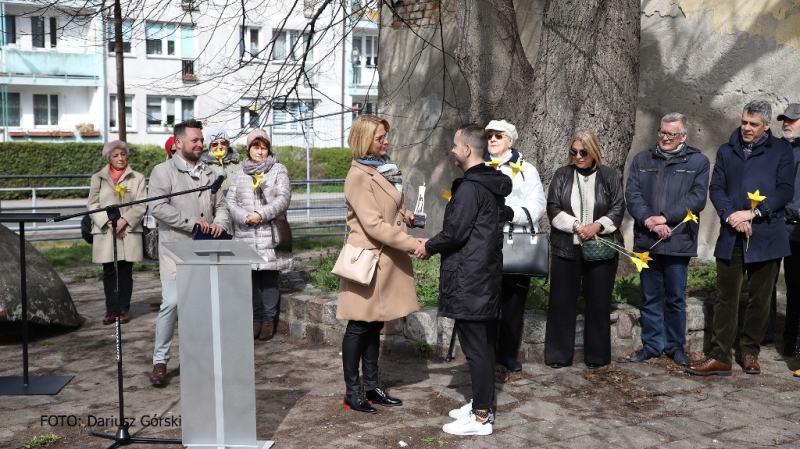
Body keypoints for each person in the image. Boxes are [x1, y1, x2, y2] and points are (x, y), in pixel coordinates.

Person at [415, 123, 512, 436]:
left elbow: (456, 232)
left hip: (472, 278)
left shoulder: (472, 187)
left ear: (468, 149)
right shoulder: (486, 183)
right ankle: (479, 404)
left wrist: (427, 246)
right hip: (481, 275)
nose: (453, 150)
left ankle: (482, 417)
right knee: (480, 344)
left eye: (456, 145)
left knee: (477, 349)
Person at [687, 100, 794, 377]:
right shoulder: (727, 150)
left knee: (760, 299)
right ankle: (720, 355)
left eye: (753, 124)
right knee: (726, 296)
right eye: (744, 122)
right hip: (731, 233)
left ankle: (749, 351)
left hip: (767, 234)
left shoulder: (781, 150)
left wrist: (754, 214)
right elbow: (717, 187)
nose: (746, 128)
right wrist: (730, 215)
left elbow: (784, 190)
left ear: (767, 126)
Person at [336, 114, 423, 414]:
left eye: (386, 135)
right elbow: (373, 225)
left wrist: (407, 215)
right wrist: (412, 243)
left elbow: (389, 210)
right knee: (359, 325)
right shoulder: (358, 176)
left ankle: (371, 385)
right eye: (380, 137)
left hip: (384, 257)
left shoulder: (384, 169)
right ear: (364, 140)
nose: (386, 141)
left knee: (374, 324)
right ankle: (352, 391)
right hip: (368, 258)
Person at [148, 119, 229, 387]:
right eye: (195, 140)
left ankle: (196, 360)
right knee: (171, 303)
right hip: (175, 249)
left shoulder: (209, 172)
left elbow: (222, 205)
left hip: (205, 249)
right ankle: (160, 361)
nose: (200, 144)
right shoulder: (162, 171)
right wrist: (191, 221)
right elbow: (157, 207)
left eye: (201, 140)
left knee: (201, 307)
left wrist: (219, 224)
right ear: (179, 142)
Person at [625, 113, 710, 367]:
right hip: (647, 240)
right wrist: (649, 220)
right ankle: (652, 345)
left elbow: (697, 198)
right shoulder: (642, 159)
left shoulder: (698, 162)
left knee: (675, 297)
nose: (664, 138)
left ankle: (675, 346)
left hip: (678, 239)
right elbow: (633, 193)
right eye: (661, 133)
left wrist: (665, 218)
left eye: (670, 134)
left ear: (683, 136)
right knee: (650, 296)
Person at [544, 129, 625, 370]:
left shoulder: (609, 176)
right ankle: (558, 356)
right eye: (574, 152)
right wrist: (579, 227)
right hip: (567, 248)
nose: (578, 156)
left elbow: (618, 208)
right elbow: (553, 208)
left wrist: (597, 226)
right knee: (561, 303)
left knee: (599, 303)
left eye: (583, 152)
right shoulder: (562, 175)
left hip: (601, 247)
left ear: (594, 152)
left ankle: (597, 358)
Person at [484, 119, 546, 372]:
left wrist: (512, 214)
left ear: (510, 140)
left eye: (498, 136)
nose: (493, 140)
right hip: (486, 243)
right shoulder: (480, 167)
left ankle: (508, 354)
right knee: (486, 300)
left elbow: (538, 203)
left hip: (516, 243)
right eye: (489, 136)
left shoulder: (526, 169)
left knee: (513, 302)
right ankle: (485, 353)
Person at [226, 129, 292, 341]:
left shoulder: (278, 170)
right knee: (251, 280)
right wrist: (245, 217)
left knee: (269, 279)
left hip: (268, 234)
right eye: (256, 147)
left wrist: (260, 215)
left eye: (264, 148)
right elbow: (230, 201)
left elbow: (283, 198)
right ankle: (255, 318)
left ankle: (268, 320)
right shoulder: (240, 172)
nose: (260, 152)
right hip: (246, 234)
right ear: (248, 149)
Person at [87, 140, 146, 325]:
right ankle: (111, 309)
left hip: (128, 231)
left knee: (125, 271)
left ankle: (123, 309)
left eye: (123, 154)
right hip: (106, 232)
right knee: (109, 272)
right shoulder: (98, 177)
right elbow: (92, 204)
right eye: (115, 155)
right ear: (108, 158)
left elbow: (141, 204)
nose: (120, 158)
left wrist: (124, 221)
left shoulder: (138, 177)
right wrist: (108, 222)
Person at [777, 104, 800, 361]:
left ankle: (792, 342)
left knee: (795, 287)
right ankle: (768, 334)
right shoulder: (777, 148)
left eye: (792, 120)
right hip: (774, 224)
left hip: (797, 230)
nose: (786, 124)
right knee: (765, 283)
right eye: (784, 119)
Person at [200, 124, 241, 196]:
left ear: (227, 145)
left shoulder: (239, 165)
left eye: (223, 143)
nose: (220, 147)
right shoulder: (203, 167)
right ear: (210, 147)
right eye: (215, 144)